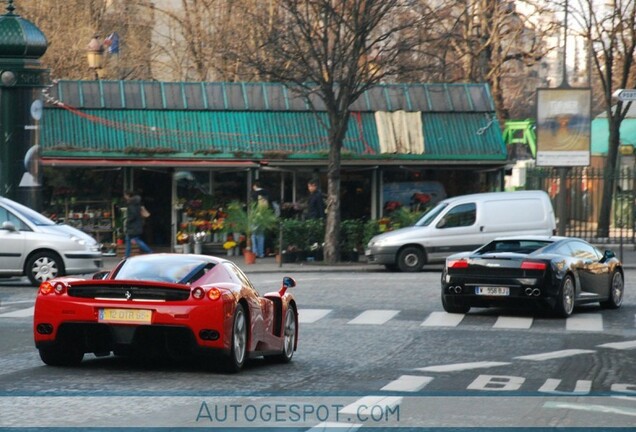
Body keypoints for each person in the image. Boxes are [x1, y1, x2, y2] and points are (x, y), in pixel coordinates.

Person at [123, 190, 153, 258]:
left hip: (133, 226)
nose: (124, 197)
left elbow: (133, 215)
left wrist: (128, 221)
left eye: (125, 195)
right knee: (129, 239)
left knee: (135, 239)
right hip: (137, 225)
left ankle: (149, 251)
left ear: (128, 196)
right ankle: (126, 255)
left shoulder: (131, 204)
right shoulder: (137, 203)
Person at [250, 181, 271, 258]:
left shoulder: (254, 194)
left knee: (253, 235)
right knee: (261, 235)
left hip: (255, 216)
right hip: (264, 216)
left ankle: (255, 252)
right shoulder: (266, 193)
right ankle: (261, 253)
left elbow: (253, 206)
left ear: (254, 186)